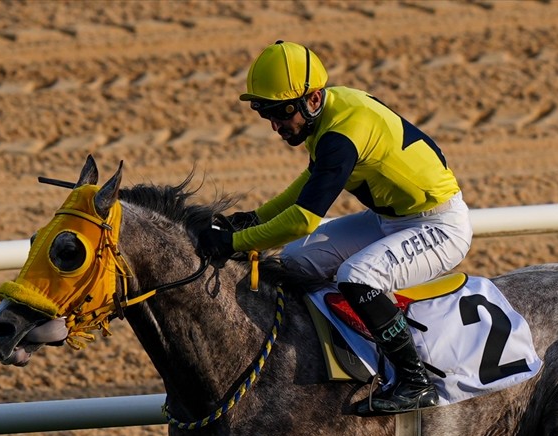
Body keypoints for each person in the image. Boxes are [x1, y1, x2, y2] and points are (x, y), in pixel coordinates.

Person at [197, 41, 473, 415]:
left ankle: (415, 381)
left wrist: (235, 242)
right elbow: (305, 186)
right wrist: (255, 218)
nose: (276, 126)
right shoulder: (328, 111)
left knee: (357, 276)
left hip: (440, 226)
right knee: (296, 260)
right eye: (268, 116)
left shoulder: (342, 134)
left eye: (281, 113)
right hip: (390, 220)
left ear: (311, 99)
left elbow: (303, 218)